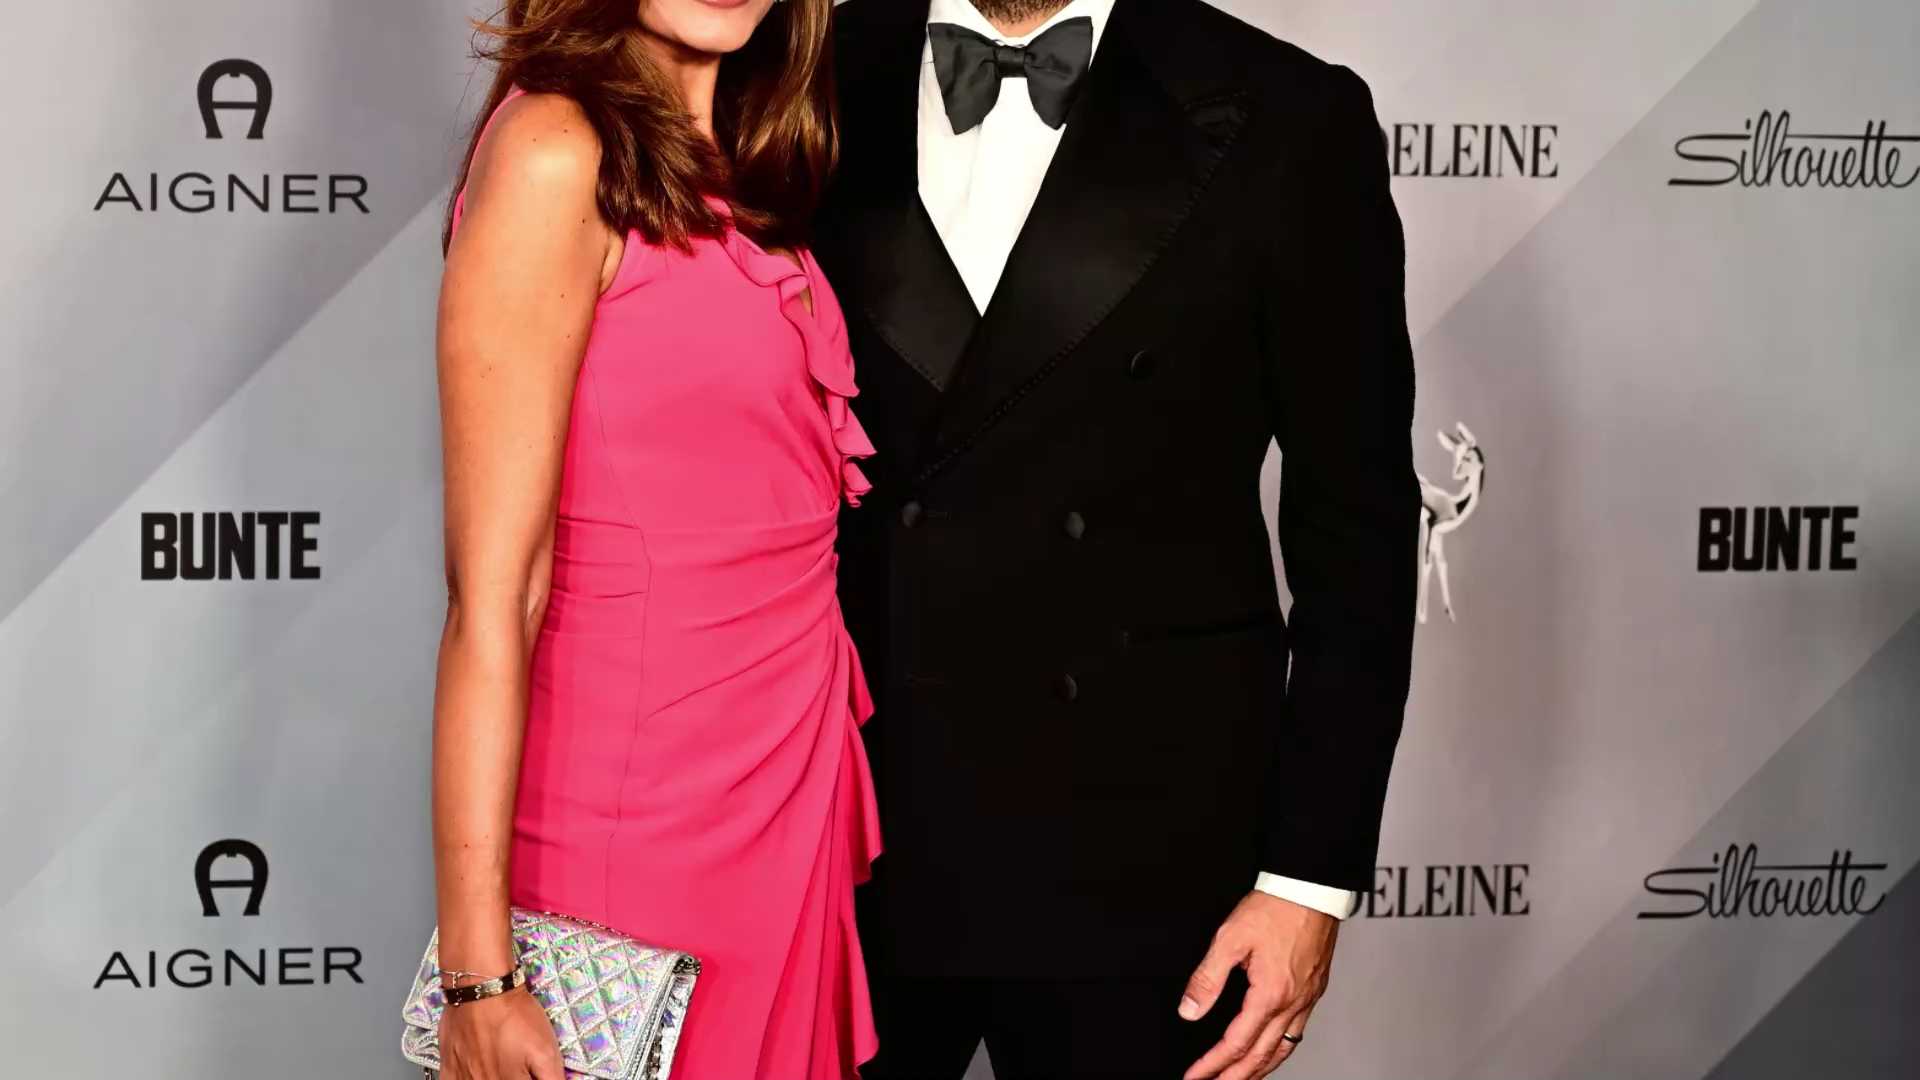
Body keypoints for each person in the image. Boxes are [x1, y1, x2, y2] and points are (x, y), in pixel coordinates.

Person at [813, 0, 1419, 1076]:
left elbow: (1358, 536)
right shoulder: (789, 77)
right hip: (846, 839)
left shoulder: (1290, 116)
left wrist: (1307, 881)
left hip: (1149, 863)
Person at [429, 1, 879, 1077]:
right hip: (636, 829)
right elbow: (496, 597)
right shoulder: (554, 151)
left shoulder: (747, 165)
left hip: (782, 799)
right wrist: (478, 977)